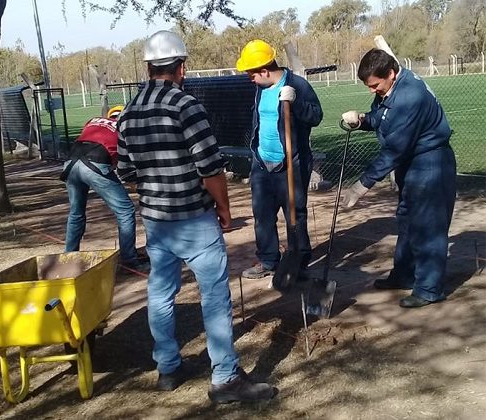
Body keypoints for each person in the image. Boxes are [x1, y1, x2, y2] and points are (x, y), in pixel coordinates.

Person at [116, 30, 275, 403]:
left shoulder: (130, 111)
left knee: (160, 293)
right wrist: (224, 208)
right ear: (181, 67)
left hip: (156, 222)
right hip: (193, 219)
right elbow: (210, 167)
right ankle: (225, 379)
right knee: (215, 296)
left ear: (148, 66)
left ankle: (168, 367)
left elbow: (125, 171)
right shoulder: (186, 106)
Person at [341, 48, 456, 308]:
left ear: (391, 73)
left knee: (429, 226)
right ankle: (404, 274)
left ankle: (429, 289)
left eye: (375, 85)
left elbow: (395, 149)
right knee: (407, 220)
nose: (372, 90)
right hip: (411, 163)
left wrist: (362, 185)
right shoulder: (391, 89)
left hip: (430, 163)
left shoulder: (410, 96)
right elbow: (382, 119)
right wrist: (361, 121)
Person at [236, 40, 323, 279]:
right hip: (262, 163)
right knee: (262, 215)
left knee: (295, 213)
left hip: (292, 164)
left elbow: (316, 116)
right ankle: (268, 259)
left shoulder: (297, 85)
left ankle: (299, 260)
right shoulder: (260, 88)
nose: (249, 78)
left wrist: (296, 103)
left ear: (264, 70)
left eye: (251, 74)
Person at [62, 105, 145, 270]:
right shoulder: (124, 127)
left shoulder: (93, 121)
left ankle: (68, 257)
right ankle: (129, 259)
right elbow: (125, 165)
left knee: (76, 212)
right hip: (95, 164)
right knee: (125, 210)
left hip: (70, 163)